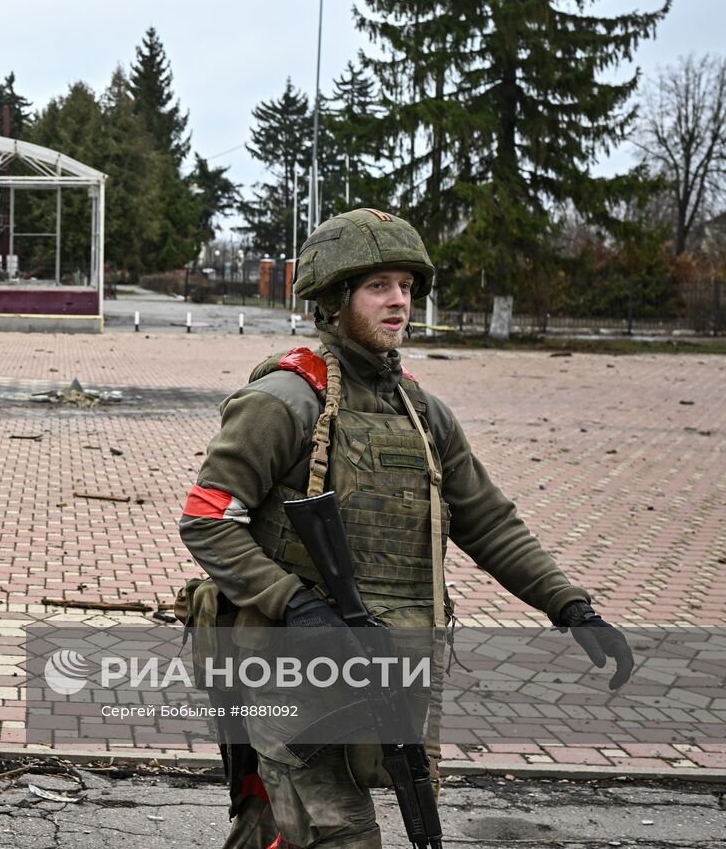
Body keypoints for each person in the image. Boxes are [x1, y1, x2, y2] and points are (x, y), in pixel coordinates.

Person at [178, 208, 634, 848]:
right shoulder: (285, 400)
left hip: (394, 664)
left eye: (407, 286)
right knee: (342, 834)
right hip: (290, 665)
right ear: (335, 301)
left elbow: (488, 519)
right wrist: (296, 605)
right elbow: (207, 519)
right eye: (379, 285)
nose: (400, 301)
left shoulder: (422, 412)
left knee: (277, 829)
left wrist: (571, 606)